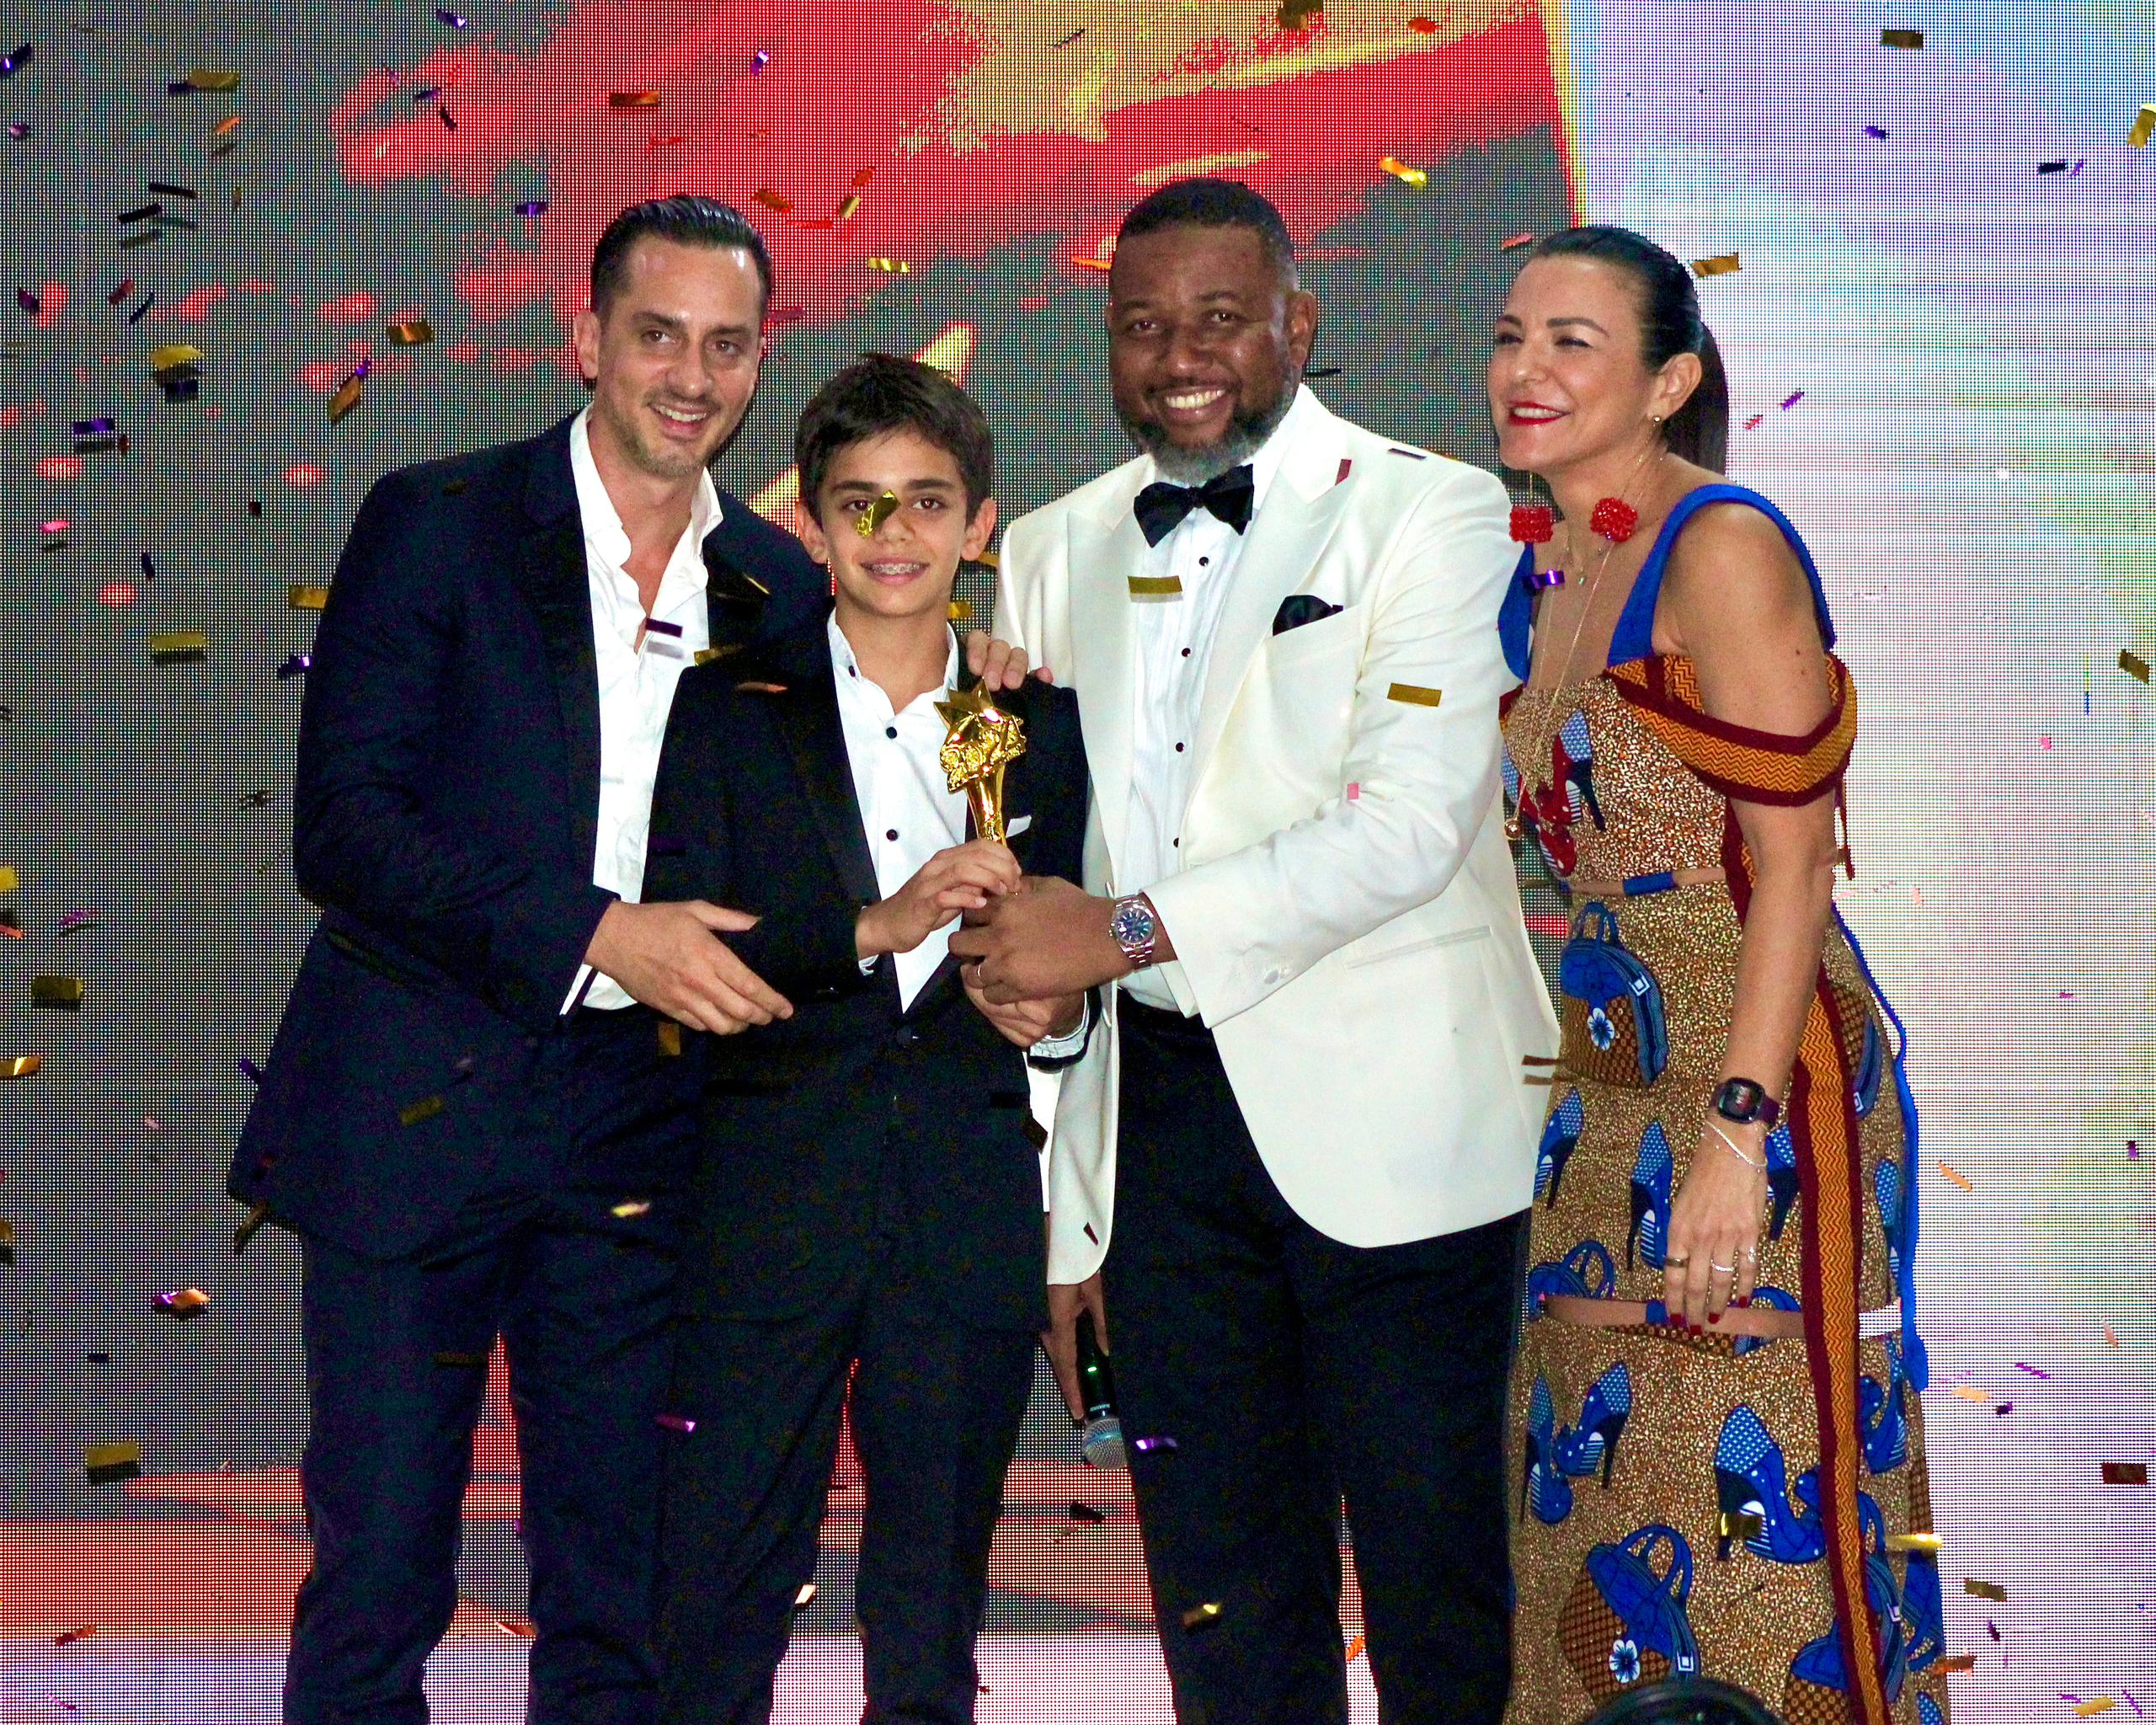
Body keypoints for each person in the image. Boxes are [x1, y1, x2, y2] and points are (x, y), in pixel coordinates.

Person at [949, 177, 1558, 1723]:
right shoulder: (1050, 549)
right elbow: (1041, 887)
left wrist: (1121, 933)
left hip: (1402, 1123)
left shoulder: (1432, 509)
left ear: (1299, 322)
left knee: (1438, 1588)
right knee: (1219, 1592)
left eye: (1221, 318)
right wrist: (1071, 1221)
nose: (1180, 358)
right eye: (1143, 325)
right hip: (1156, 1135)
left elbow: (1408, 827)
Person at [229, 195, 830, 1725]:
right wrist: (596, 932)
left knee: (615, 1589)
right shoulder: (438, 520)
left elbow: (824, 832)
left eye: (727, 345)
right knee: (378, 1579)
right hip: (410, 1111)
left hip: (646, 1127)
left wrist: (987, 678)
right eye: (658, 335)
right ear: (587, 340)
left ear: (760, 363)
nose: (691, 376)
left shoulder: (782, 586)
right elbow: (344, 828)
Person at [1489, 226, 1946, 1724]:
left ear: (1671, 380)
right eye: (1511, 337)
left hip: (1757, 1060)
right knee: (1591, 1459)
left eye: (1572, 341)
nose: (1525, 369)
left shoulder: (1720, 544)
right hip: (1607, 1064)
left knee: (1749, 1450)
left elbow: (1796, 867)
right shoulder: (1547, 562)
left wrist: (1738, 1136)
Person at [644, 355, 1093, 1725]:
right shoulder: (727, 705)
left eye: (927, 503)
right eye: (860, 504)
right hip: (763, 1204)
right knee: (716, 1587)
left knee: (931, 1604)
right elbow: (685, 950)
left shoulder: (1038, 721)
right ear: (813, 525)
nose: (893, 535)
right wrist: (876, 925)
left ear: (979, 527)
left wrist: (1057, 1008)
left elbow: (1077, 947)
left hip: (964, 1203)